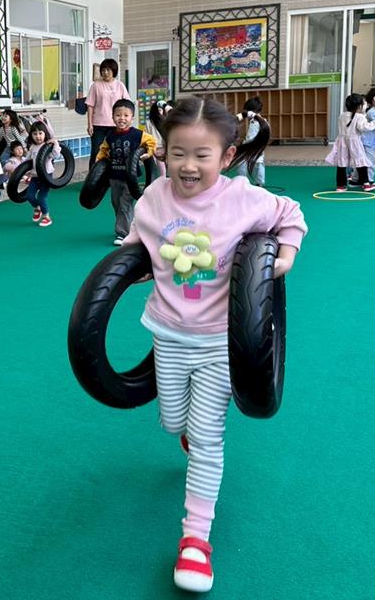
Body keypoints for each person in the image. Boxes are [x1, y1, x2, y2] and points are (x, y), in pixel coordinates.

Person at [122, 96, 307, 593]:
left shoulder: (243, 198)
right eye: (177, 152)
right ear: (163, 152)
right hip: (167, 334)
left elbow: (291, 214)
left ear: (225, 157)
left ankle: (195, 540)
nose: (188, 165)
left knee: (206, 437)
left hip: (221, 343)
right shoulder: (154, 197)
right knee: (171, 422)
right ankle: (187, 433)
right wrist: (125, 270)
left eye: (202, 155)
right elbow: (139, 241)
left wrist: (285, 255)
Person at [95, 98, 156, 245]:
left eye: (126, 115)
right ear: (112, 117)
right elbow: (104, 149)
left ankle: (122, 233)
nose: (121, 118)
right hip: (114, 176)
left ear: (132, 118)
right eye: (118, 115)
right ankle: (131, 227)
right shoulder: (110, 135)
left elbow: (151, 141)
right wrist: (98, 162)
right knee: (116, 203)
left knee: (125, 204)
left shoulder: (137, 134)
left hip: (130, 178)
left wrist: (148, 153)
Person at [325, 94, 375, 192]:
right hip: (354, 142)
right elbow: (364, 127)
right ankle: (366, 184)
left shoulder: (342, 115)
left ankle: (340, 186)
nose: (366, 106)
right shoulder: (360, 117)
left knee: (341, 163)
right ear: (359, 106)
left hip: (342, 141)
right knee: (361, 162)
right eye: (364, 104)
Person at [85, 57, 131, 171]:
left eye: (108, 70)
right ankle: (93, 177)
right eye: (103, 70)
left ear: (114, 71)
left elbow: (127, 105)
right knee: (96, 152)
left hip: (117, 125)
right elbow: (90, 106)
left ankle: (113, 175)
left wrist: (127, 122)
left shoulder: (120, 85)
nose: (105, 72)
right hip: (98, 125)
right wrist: (90, 124)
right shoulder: (95, 86)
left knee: (116, 152)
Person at [23, 121, 60, 227]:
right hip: (35, 176)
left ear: (45, 134)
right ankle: (37, 208)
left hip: (46, 176)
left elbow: (56, 155)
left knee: (41, 197)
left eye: (40, 133)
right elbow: (27, 160)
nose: (38, 136)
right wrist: (24, 172)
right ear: (31, 135)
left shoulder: (47, 146)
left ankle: (46, 217)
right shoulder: (32, 147)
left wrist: (55, 143)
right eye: (35, 134)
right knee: (29, 196)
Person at [233, 97, 265, 185]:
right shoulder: (263, 120)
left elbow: (250, 138)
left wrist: (241, 145)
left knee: (242, 162)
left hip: (252, 147)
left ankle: (242, 182)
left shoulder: (255, 122)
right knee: (258, 164)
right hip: (259, 147)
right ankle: (259, 183)